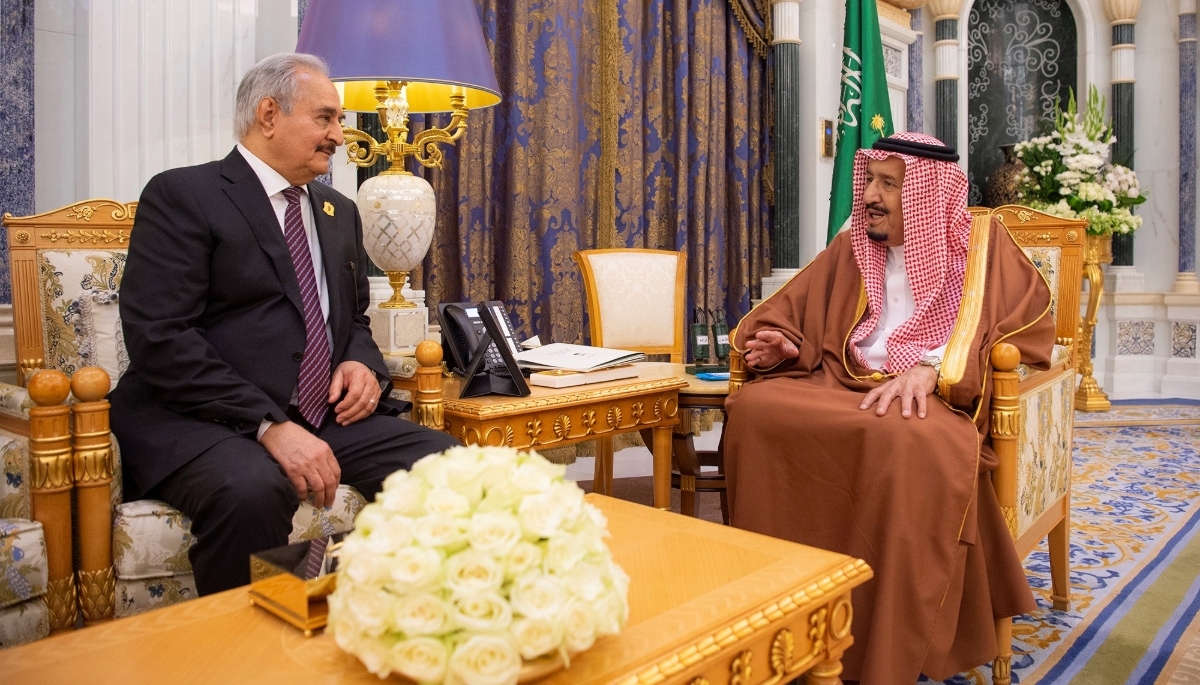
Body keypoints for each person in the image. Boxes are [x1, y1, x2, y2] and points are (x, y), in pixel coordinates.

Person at [110, 53, 459, 594]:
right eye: (325, 118)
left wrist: (359, 363)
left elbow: (353, 320)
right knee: (251, 490)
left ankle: (399, 617)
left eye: (339, 121)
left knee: (444, 465)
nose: (340, 136)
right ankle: (243, 659)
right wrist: (268, 426)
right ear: (268, 115)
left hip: (319, 414)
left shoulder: (338, 211)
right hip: (203, 419)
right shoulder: (184, 195)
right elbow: (161, 338)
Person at [724, 132, 1054, 684]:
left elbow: (1026, 324)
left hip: (937, 396)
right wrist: (789, 343)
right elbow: (798, 307)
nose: (870, 196)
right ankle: (776, 609)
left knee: (901, 438)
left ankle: (881, 637)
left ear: (926, 194)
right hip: (844, 381)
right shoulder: (855, 243)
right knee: (756, 410)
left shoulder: (981, 245)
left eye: (888, 184)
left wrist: (934, 369)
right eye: (869, 180)